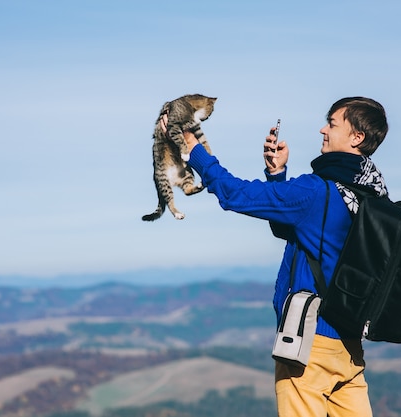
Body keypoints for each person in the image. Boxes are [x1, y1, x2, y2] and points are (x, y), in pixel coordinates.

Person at [161, 96, 389, 417]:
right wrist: (277, 175)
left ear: (357, 137)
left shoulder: (315, 191)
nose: (323, 129)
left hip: (310, 342)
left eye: (333, 123)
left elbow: (235, 194)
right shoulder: (371, 193)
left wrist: (192, 148)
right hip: (349, 345)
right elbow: (299, 233)